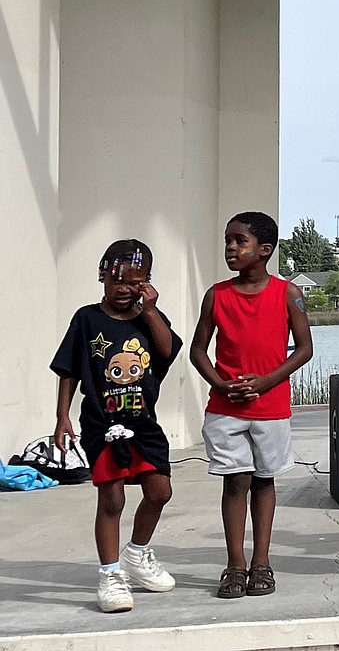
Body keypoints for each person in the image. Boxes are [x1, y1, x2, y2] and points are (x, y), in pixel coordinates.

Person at [51, 240, 182, 612]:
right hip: (102, 424)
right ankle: (110, 574)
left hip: (144, 424)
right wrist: (62, 416)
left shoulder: (149, 318)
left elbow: (168, 350)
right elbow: (68, 370)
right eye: (116, 281)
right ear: (102, 277)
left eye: (134, 282)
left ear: (147, 283)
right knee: (112, 498)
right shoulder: (86, 319)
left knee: (160, 491)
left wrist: (151, 309)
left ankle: (137, 555)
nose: (124, 289)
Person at [190, 211, 313, 598]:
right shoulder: (217, 295)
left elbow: (305, 349)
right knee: (235, 480)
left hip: (270, 407)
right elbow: (198, 351)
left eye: (239, 241)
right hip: (226, 409)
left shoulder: (288, 294)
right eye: (228, 240)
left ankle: (262, 562)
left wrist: (266, 381)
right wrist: (221, 385)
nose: (230, 247)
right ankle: (234, 565)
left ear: (264, 249)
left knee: (263, 479)